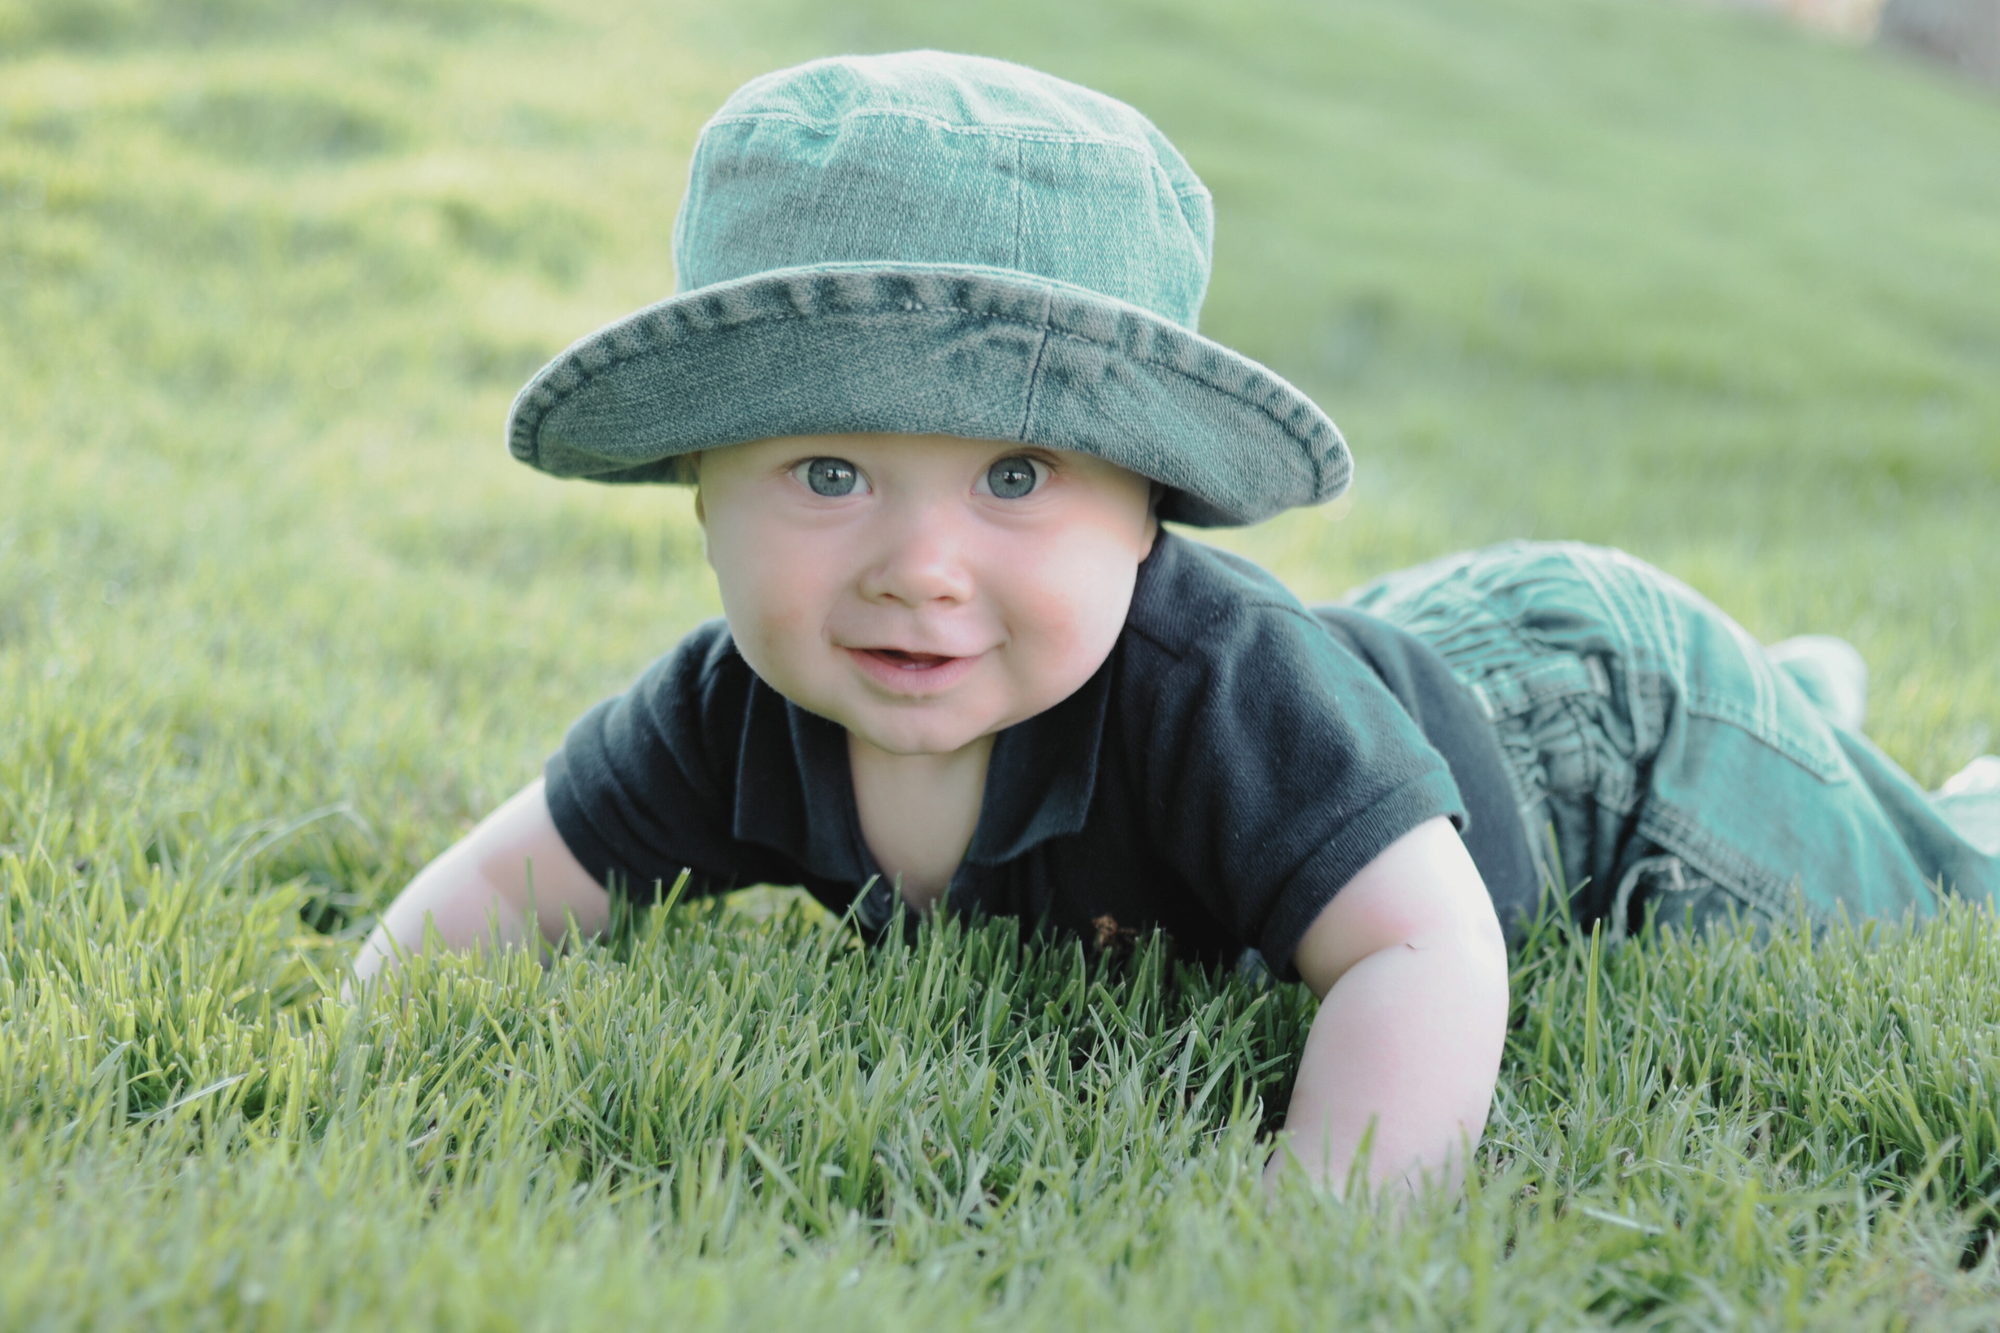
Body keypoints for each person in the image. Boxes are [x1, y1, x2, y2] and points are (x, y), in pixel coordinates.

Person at [350, 51, 2000, 1196]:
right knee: (1352, 745)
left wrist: (1321, 1229)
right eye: (831, 469)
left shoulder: (1210, 689)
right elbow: (506, 882)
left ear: (1149, 512)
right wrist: (365, 1048)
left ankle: (1812, 743)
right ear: (701, 491)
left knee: (1934, 898)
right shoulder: (727, 711)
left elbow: (1425, 949)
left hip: (1593, 723)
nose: (920, 567)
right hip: (1393, 680)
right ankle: (1803, 704)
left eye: (1014, 475)